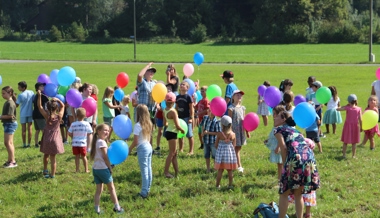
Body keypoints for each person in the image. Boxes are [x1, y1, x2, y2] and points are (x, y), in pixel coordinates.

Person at [273, 110, 320, 218]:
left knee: (284, 193)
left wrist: (285, 166)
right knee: (298, 194)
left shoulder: (278, 130)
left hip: (295, 158)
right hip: (309, 159)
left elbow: (283, 148)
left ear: (284, 119)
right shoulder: (297, 131)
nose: (274, 118)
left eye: (277, 116)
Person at [90, 124, 124, 214]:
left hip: (96, 169)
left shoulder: (97, 141)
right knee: (112, 188)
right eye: (105, 130)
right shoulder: (102, 142)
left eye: (108, 131)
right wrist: (110, 167)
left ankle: (97, 209)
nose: (107, 132)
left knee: (99, 190)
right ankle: (117, 207)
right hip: (103, 169)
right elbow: (105, 157)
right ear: (98, 131)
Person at [37, 91, 65, 178]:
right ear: (56, 108)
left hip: (46, 138)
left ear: (47, 108)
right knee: (53, 158)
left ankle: (45, 170)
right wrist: (58, 100)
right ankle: (52, 175)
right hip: (55, 140)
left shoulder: (47, 116)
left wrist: (39, 96)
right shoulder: (59, 116)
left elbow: (39, 106)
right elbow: (63, 106)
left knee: (46, 155)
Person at [288, 137, 317, 218]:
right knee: (308, 195)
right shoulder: (310, 158)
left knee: (298, 195)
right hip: (308, 180)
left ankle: (299, 212)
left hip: (299, 178)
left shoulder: (298, 157)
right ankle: (307, 213)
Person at [129, 104, 153, 198]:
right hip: (148, 146)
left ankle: (143, 193)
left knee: (144, 171)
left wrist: (130, 149)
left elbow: (135, 141)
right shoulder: (149, 123)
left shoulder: (137, 125)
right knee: (149, 169)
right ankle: (148, 189)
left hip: (142, 148)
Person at [163, 92, 185, 178]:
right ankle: (166, 172)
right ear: (173, 102)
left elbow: (165, 123)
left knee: (174, 153)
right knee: (171, 153)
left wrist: (170, 125)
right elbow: (177, 125)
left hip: (168, 131)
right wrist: (182, 130)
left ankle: (177, 172)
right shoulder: (173, 111)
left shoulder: (165, 110)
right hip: (173, 132)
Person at [228, 90, 250, 173]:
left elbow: (245, 121)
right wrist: (229, 132)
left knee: (238, 148)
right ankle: (238, 166)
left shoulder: (242, 108)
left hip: (240, 131)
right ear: (233, 97)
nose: (239, 96)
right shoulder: (231, 108)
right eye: (237, 95)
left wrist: (247, 131)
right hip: (234, 132)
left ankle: (236, 165)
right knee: (234, 149)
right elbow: (229, 122)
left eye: (240, 95)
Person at [264, 106, 286, 182]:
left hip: (279, 147)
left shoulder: (281, 126)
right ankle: (280, 179)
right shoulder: (276, 124)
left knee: (281, 164)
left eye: (275, 114)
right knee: (279, 164)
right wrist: (268, 140)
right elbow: (273, 134)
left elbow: (282, 138)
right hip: (276, 146)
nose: (273, 115)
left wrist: (278, 147)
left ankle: (281, 179)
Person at [215, 115, 238, 189]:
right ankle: (230, 185)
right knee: (230, 170)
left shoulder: (219, 134)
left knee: (220, 170)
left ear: (222, 125)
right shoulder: (233, 134)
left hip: (221, 155)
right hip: (229, 155)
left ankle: (217, 185)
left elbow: (216, 145)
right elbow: (234, 145)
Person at [137, 62, 157, 144]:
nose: (151, 73)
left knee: (151, 129)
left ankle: (150, 148)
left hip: (152, 109)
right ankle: (141, 146)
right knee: (142, 129)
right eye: (149, 71)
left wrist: (158, 104)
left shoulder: (154, 83)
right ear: (145, 72)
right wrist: (148, 66)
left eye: (153, 72)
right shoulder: (142, 82)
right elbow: (139, 75)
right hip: (143, 109)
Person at [68, 108, 93, 173]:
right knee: (84, 157)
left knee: (77, 156)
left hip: (75, 143)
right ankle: (86, 169)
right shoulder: (87, 124)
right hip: (83, 143)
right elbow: (90, 132)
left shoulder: (73, 124)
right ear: (85, 116)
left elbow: (69, 133)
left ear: (76, 115)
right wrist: (85, 134)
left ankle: (77, 169)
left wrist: (73, 136)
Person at [337, 94, 362, 158]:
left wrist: (345, 106)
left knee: (345, 141)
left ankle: (344, 155)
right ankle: (353, 155)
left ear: (348, 101)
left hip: (347, 126)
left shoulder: (347, 108)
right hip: (356, 126)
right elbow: (360, 119)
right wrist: (361, 127)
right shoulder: (359, 109)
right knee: (354, 142)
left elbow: (338, 109)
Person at [1, 86, 18, 168]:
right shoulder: (8, 102)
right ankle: (10, 160)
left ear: (10, 93)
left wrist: (0, 117)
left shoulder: (10, 103)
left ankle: (13, 161)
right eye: (2, 93)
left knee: (8, 143)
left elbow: (10, 116)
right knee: (9, 143)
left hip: (10, 124)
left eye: (4, 93)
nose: (2, 95)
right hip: (9, 124)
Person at [176, 81, 194, 155]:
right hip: (179, 118)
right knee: (180, 135)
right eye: (181, 84)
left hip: (186, 118)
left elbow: (191, 108)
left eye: (184, 85)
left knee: (189, 135)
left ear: (187, 88)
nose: (181, 85)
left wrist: (191, 118)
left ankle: (191, 151)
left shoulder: (188, 97)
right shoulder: (177, 97)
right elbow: (176, 107)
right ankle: (181, 149)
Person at [201, 108, 221, 173]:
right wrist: (202, 132)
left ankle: (216, 168)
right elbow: (202, 125)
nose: (209, 112)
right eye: (209, 110)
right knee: (206, 155)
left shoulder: (217, 122)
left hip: (213, 142)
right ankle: (208, 168)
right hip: (206, 141)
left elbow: (218, 133)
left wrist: (208, 132)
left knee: (214, 156)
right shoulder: (205, 118)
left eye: (211, 111)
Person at [16, 81, 34, 148]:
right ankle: (29, 144)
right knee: (30, 128)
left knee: (23, 129)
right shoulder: (31, 92)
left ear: (23, 88)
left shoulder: (20, 95)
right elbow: (33, 100)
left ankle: (24, 144)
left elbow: (16, 105)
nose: (18, 88)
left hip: (23, 113)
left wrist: (14, 98)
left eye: (19, 87)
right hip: (30, 112)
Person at [32, 82, 49, 148]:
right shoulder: (41, 96)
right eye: (41, 86)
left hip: (35, 115)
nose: (43, 87)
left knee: (37, 130)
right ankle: (45, 143)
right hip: (40, 115)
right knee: (43, 130)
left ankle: (36, 143)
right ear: (37, 88)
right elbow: (47, 102)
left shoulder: (36, 95)